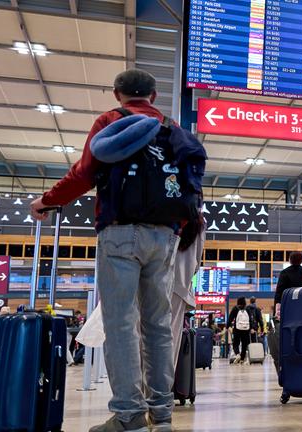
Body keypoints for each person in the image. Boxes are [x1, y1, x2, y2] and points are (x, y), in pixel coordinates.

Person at [30, 69, 203, 431]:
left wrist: (47, 200)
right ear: (153, 96)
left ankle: (128, 416)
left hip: (120, 232)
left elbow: (83, 174)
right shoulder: (171, 128)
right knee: (158, 325)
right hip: (165, 237)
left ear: (117, 94)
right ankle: (162, 414)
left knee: (121, 323)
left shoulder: (110, 121)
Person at [169, 222, 205, 368]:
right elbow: (196, 262)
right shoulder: (196, 219)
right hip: (179, 285)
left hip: (149, 279)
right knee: (170, 341)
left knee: (140, 337)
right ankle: (163, 382)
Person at [273, 251, 302, 318]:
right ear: (301, 260)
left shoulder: (284, 273)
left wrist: (277, 309)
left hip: (289, 305)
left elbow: (279, 292)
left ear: (290, 260)